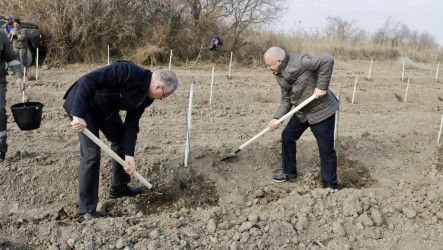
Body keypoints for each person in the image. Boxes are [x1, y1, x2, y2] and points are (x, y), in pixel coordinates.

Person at [63, 61, 179, 223]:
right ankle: (86, 211)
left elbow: (131, 125)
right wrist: (78, 114)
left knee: (119, 139)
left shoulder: (146, 98)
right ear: (159, 87)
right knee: (91, 154)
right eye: (165, 96)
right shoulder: (127, 71)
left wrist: (129, 155)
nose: (162, 99)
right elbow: (88, 80)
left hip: (106, 110)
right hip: (84, 105)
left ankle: (119, 188)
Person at [264, 47, 339, 189]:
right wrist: (277, 118)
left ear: (279, 61)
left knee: (326, 149)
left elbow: (327, 60)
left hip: (321, 112)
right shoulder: (278, 74)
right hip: (302, 112)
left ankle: (330, 186)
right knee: (287, 136)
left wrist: (321, 87)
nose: (268, 68)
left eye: (269, 65)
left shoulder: (300, 61)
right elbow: (286, 99)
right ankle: (289, 172)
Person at [0, 31, 26, 162]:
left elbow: (12, 58)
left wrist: (19, 77)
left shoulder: (1, 36)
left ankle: (0, 149)